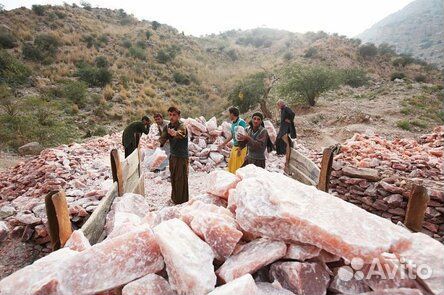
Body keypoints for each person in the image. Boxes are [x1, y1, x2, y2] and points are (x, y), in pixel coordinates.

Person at [159, 106, 189, 204]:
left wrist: (174, 133)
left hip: (181, 156)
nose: (172, 117)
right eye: (170, 115)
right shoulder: (168, 126)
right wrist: (158, 143)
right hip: (173, 156)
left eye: (174, 115)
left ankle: (182, 201)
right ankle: (175, 198)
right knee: (174, 177)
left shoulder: (182, 126)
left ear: (179, 116)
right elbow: (163, 138)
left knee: (181, 179)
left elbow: (180, 134)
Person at [218, 106, 248, 174]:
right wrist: (223, 144)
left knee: (238, 166)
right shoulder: (233, 123)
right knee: (231, 165)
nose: (229, 116)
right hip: (235, 147)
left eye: (229, 114)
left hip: (241, 148)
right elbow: (232, 136)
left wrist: (240, 148)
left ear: (232, 114)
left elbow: (243, 135)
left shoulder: (241, 122)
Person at [276, 100, 296, 171]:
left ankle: (287, 163)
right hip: (283, 128)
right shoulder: (282, 110)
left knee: (287, 144)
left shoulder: (286, 108)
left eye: (279, 104)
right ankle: (286, 161)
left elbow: (292, 114)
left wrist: (290, 120)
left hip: (285, 128)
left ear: (281, 104)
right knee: (281, 141)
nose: (278, 105)